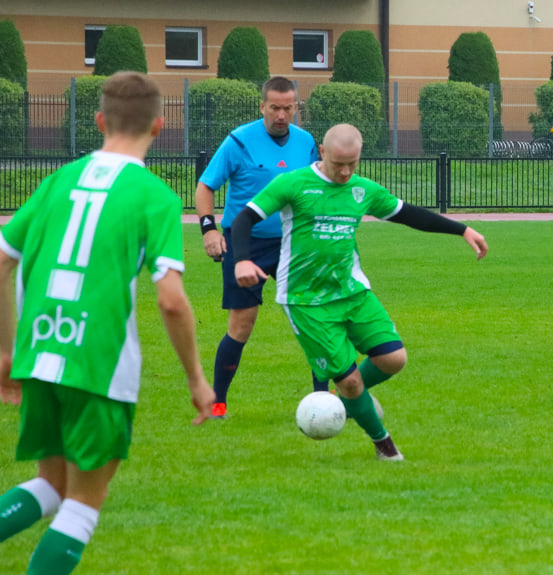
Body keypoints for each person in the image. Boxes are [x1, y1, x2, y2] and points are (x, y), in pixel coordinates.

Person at [0, 71, 214, 574]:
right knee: (81, 505)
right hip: (97, 362)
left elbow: (2, 260)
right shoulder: (153, 194)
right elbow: (172, 301)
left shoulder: (57, 181)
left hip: (40, 353)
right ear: (159, 127)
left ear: (99, 121)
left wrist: (6, 352)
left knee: (52, 486)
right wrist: (197, 379)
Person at [231, 123, 488, 461]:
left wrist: (462, 230)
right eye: (339, 164)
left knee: (394, 359)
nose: (346, 171)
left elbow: (408, 215)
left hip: (353, 292)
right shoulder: (293, 183)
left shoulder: (362, 189)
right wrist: (242, 261)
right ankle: (385, 447)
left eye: (353, 163)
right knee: (350, 382)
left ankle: (349, 400)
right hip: (306, 300)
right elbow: (243, 219)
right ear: (322, 152)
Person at [195, 76, 319, 419]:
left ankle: (324, 400)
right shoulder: (239, 140)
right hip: (244, 243)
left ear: (296, 108)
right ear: (262, 106)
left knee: (314, 318)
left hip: (293, 242)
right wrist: (209, 230)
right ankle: (218, 403)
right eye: (275, 107)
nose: (282, 115)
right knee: (242, 326)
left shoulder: (306, 142)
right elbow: (205, 187)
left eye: (288, 108)